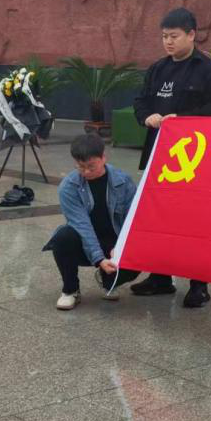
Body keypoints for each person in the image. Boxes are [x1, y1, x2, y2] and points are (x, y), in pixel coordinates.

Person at [130, 6, 211, 308]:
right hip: (159, 156)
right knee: (160, 217)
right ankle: (160, 278)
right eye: (164, 37)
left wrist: (183, 120)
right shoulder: (157, 69)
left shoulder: (208, 70)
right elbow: (140, 102)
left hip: (194, 160)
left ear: (191, 34)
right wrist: (147, 117)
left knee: (195, 222)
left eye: (174, 36)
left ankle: (199, 285)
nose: (168, 42)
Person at [44, 133, 142, 310]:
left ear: (103, 157)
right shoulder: (68, 187)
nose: (86, 172)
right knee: (63, 237)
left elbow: (133, 219)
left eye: (91, 166)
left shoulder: (123, 181)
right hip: (83, 243)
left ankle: (107, 280)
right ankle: (70, 290)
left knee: (139, 254)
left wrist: (122, 246)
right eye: (81, 167)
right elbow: (82, 226)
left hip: (113, 242)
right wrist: (99, 259)